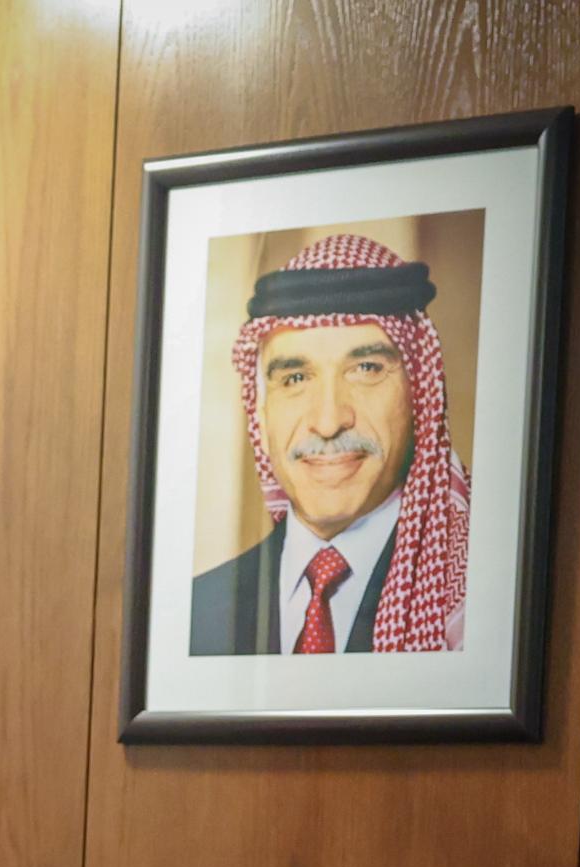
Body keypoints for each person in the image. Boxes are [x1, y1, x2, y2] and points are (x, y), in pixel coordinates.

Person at [189, 232, 472, 656]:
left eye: (366, 368)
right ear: (261, 411)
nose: (328, 422)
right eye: (295, 379)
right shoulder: (198, 614)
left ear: (420, 394)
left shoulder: (470, 601)